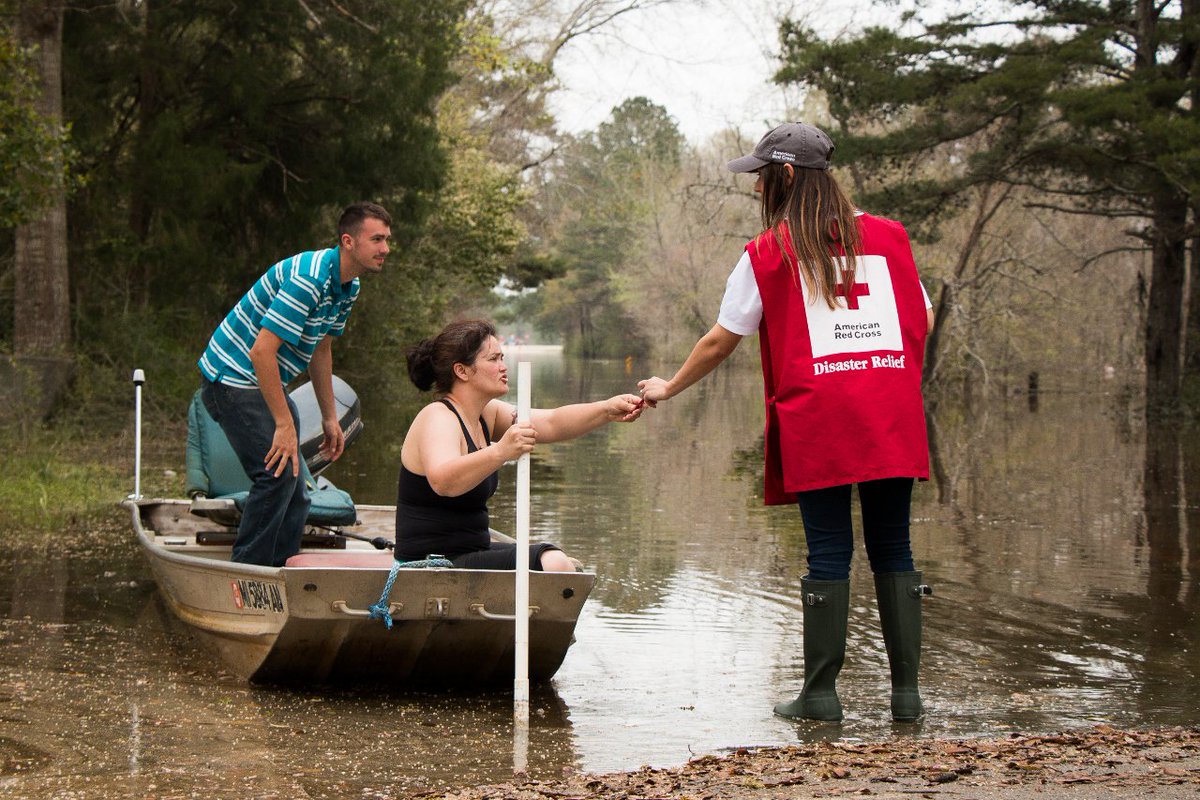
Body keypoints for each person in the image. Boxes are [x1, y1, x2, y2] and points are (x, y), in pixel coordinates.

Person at [638, 123, 934, 723]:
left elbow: (721, 339)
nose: (755, 187)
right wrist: (882, 376)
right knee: (894, 545)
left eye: (761, 176)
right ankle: (907, 697)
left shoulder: (768, 252)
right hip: (887, 415)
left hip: (820, 419)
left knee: (828, 551)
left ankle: (821, 697)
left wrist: (668, 387)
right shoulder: (891, 237)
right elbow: (921, 314)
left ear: (789, 175)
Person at [198, 202, 392, 567]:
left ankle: (285, 570)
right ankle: (248, 572)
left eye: (387, 240)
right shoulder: (309, 280)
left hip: (258, 379)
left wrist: (330, 417)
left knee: (297, 489)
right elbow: (261, 352)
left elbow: (321, 348)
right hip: (231, 378)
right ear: (348, 241)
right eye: (377, 239)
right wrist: (284, 423)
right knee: (275, 478)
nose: (386, 249)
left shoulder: (348, 286)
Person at [397, 319, 644, 570]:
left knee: (562, 562)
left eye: (502, 358)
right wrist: (501, 451)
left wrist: (606, 410)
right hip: (429, 563)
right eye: (493, 359)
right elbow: (443, 481)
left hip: (471, 552)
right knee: (555, 563)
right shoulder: (438, 417)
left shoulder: (486, 414)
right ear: (462, 371)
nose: (504, 367)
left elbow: (552, 422)